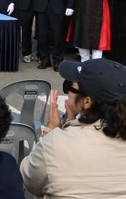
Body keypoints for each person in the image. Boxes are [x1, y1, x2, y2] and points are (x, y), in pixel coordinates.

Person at [21, 59, 126, 198]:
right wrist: (72, 123)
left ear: (86, 101)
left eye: (70, 86)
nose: (68, 91)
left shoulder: (54, 144)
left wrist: (50, 132)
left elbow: (29, 179)